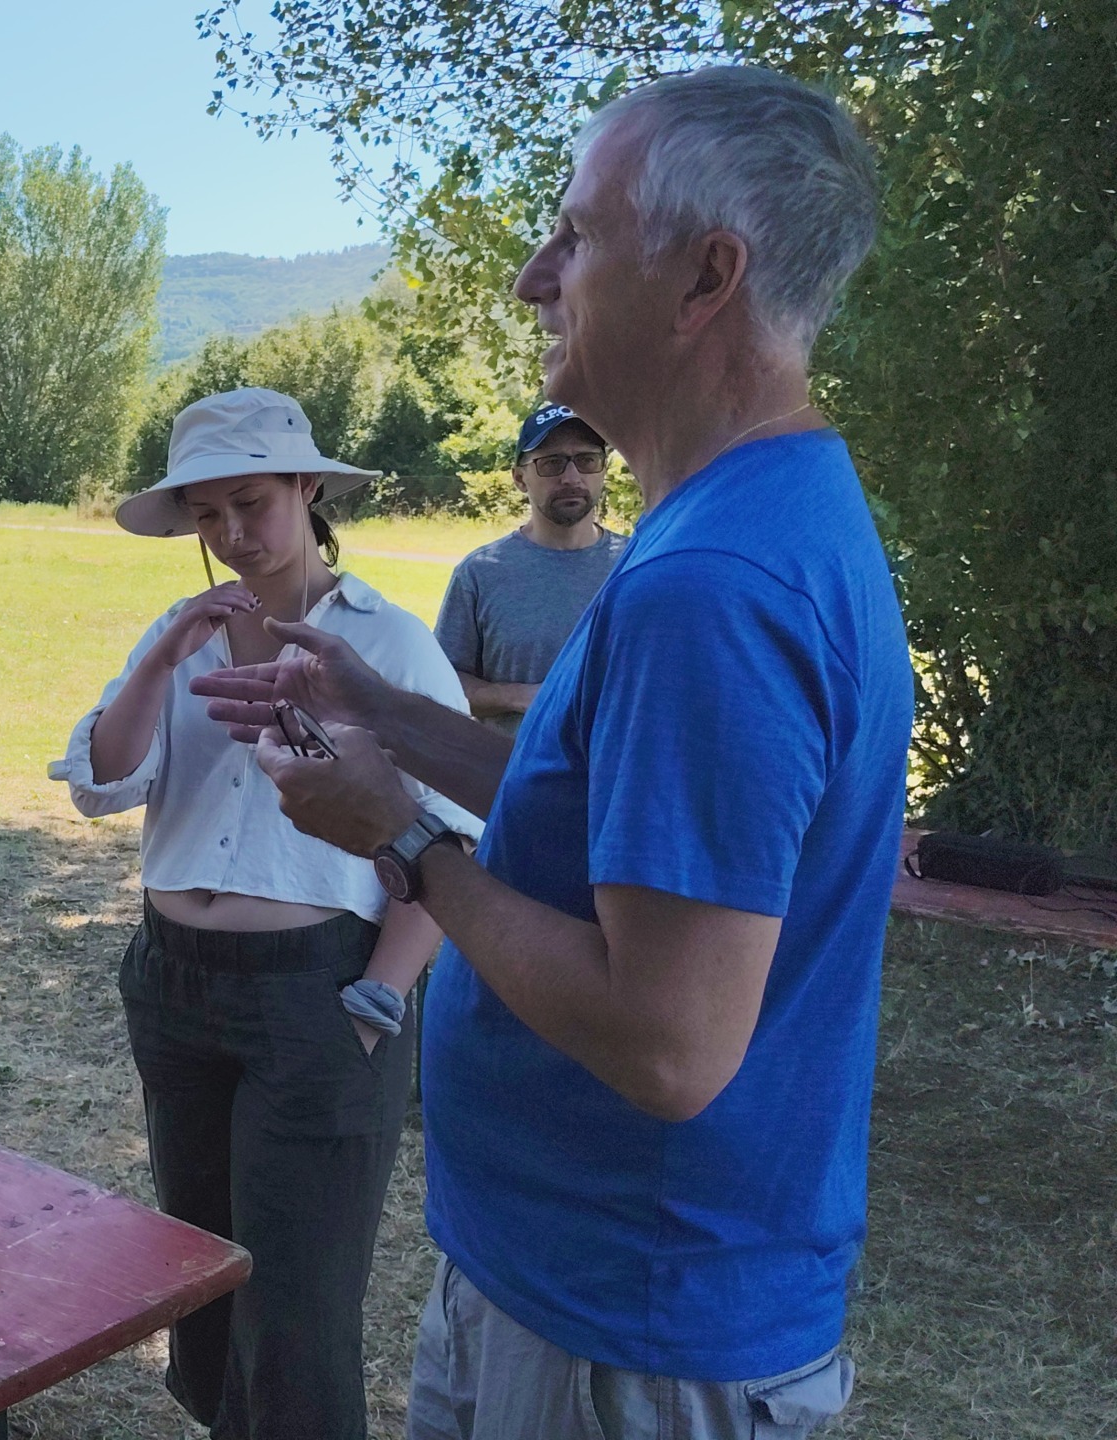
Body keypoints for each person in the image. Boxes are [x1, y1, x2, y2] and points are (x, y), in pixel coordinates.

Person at [191, 67, 905, 1439]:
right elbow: (604, 819)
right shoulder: (746, 519)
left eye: (575, 235)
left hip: (627, 1326)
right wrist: (386, 712)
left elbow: (669, 1045)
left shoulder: (714, 587)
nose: (533, 279)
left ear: (705, 279)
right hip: (568, 1282)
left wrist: (402, 840)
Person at [48, 388, 482, 1440]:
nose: (233, 533)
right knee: (200, 1266)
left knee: (296, 1293)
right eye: (208, 514)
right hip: (175, 982)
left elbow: (455, 835)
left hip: (317, 991)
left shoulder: (387, 643)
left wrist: (381, 992)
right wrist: (163, 657)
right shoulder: (182, 634)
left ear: (308, 488)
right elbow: (102, 783)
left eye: (252, 503)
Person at [434, 404, 628, 733]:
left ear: (603, 470)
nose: (571, 478)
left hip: (616, 765)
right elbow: (440, 682)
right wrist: (516, 696)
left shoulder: (635, 564)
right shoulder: (481, 573)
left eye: (587, 460)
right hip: (507, 764)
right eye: (551, 463)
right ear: (519, 478)